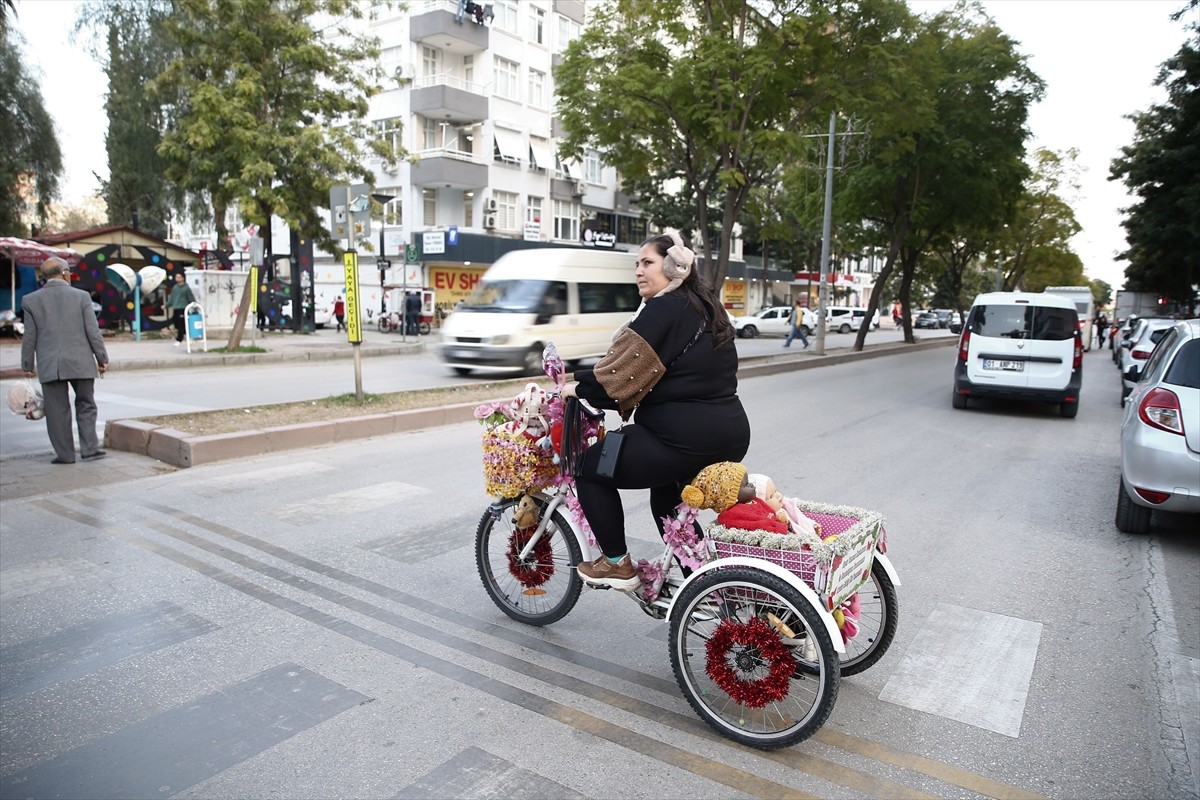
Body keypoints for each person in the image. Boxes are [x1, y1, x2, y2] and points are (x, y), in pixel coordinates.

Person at [559, 232, 751, 590]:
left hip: (682, 437)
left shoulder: (665, 308)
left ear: (674, 266)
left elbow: (619, 376)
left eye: (647, 263)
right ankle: (705, 586)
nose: (638, 271)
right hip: (729, 432)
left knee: (589, 469)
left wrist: (576, 387)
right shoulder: (705, 305)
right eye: (636, 264)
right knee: (667, 502)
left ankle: (616, 563)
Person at [20, 257, 110, 464]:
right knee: (86, 404)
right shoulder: (82, 297)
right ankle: (89, 450)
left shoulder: (31, 300)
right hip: (81, 362)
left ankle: (65, 455)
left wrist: (27, 365)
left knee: (56, 411)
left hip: (50, 364)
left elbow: (29, 337)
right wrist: (102, 358)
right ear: (64, 273)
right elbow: (93, 331)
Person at [166, 272, 195, 346]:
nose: (177, 278)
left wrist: (194, 305)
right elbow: (172, 299)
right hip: (176, 308)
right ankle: (187, 336)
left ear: (183, 278)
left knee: (182, 324)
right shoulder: (175, 288)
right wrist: (166, 305)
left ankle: (179, 339)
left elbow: (191, 298)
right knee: (177, 324)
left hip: (183, 308)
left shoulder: (186, 288)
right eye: (176, 277)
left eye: (179, 277)